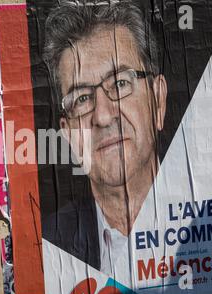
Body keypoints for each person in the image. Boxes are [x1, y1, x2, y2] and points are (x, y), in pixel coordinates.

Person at [42, 0, 167, 274]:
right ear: (70, 136)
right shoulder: (46, 246)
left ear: (158, 101)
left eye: (120, 83)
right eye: (82, 98)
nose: (103, 116)